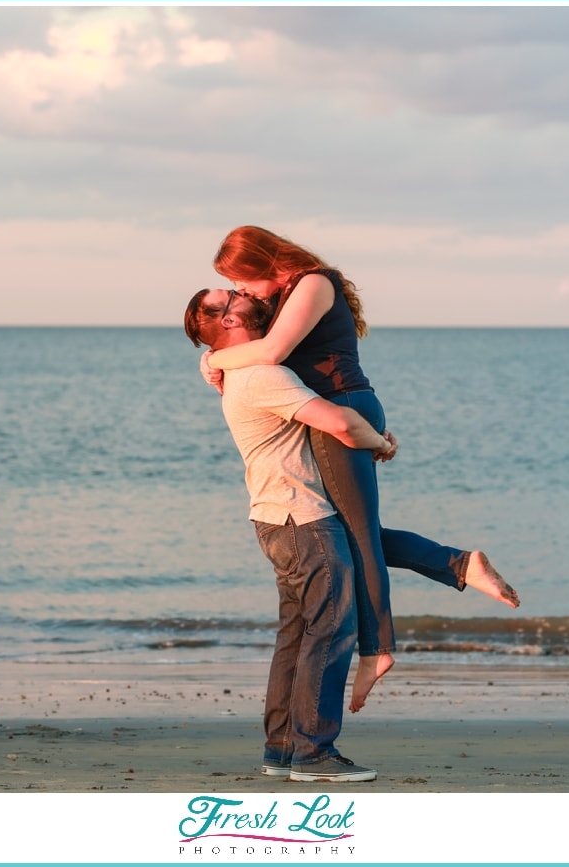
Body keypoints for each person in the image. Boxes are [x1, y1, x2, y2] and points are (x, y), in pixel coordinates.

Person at [201, 225, 520, 713]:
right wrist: (213, 358)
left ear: (263, 261)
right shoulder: (290, 291)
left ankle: (377, 649)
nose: (242, 293)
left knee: (356, 535)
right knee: (350, 533)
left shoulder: (312, 283)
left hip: (343, 409)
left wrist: (216, 357)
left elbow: (272, 353)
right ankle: (457, 565)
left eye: (241, 283)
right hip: (337, 412)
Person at [184, 286, 395, 782]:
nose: (243, 292)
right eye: (231, 295)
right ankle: (314, 753)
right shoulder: (262, 375)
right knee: (331, 630)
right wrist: (381, 444)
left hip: (274, 516)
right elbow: (339, 420)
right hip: (303, 519)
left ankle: (282, 749)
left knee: (297, 635)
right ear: (229, 321)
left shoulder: (238, 370)